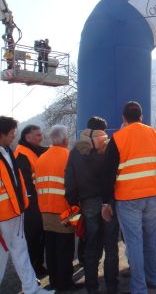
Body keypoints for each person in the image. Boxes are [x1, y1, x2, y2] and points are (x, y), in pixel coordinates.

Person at [102, 101, 156, 294]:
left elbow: (107, 173)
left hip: (128, 198)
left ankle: (139, 287)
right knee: (151, 238)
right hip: (152, 196)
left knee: (134, 242)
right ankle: (153, 278)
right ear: (141, 116)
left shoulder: (118, 138)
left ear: (124, 118)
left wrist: (107, 202)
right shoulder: (155, 134)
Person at [65, 117, 119, 294]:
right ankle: (112, 286)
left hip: (88, 202)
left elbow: (70, 180)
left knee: (91, 246)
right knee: (111, 245)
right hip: (108, 201)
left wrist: (74, 202)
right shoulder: (108, 147)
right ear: (103, 131)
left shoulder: (75, 151)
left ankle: (92, 287)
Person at [0, 116, 54, 294]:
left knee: (21, 253)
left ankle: (32, 290)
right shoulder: (16, 153)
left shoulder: (8, 151)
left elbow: (17, 182)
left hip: (16, 213)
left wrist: (24, 203)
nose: (13, 136)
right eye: (11, 133)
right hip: (4, 216)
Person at [35, 125, 82, 291]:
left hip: (45, 210)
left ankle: (54, 282)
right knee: (65, 248)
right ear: (64, 140)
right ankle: (65, 283)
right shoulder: (68, 156)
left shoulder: (41, 158)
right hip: (65, 210)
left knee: (51, 247)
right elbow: (75, 184)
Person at [14, 125, 47, 278]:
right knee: (33, 238)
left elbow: (44, 151)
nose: (41, 138)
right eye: (38, 135)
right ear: (28, 138)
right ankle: (35, 271)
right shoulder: (21, 154)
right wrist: (32, 207)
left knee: (38, 237)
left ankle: (38, 268)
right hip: (31, 205)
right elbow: (25, 185)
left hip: (36, 202)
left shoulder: (31, 150)